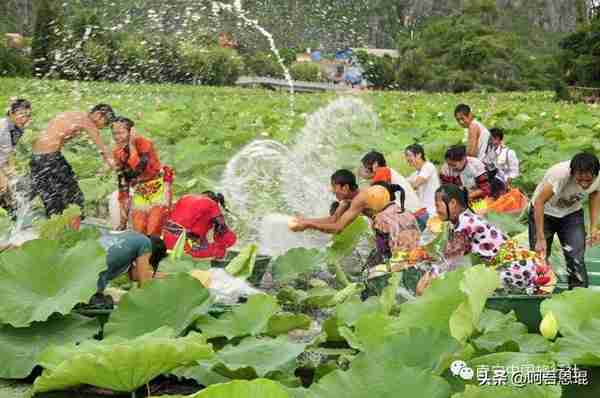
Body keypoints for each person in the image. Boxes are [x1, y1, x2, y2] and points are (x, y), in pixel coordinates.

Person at [416, 184, 555, 296]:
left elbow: (449, 260)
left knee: (470, 290)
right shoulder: (459, 222)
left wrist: (427, 279)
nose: (436, 210)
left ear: (452, 203)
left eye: (438, 206)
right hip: (514, 267)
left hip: (518, 269)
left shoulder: (466, 224)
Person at [30, 104, 116, 220]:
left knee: (51, 200)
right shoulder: (86, 121)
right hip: (50, 159)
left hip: (36, 158)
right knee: (74, 197)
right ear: (98, 115)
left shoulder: (73, 114)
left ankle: (55, 229)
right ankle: (75, 225)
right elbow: (102, 148)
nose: (102, 127)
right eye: (105, 123)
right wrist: (117, 166)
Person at [528, 153, 600, 289]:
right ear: (572, 173)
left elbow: (595, 194)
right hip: (545, 212)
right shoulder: (559, 174)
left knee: (576, 257)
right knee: (540, 257)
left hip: (571, 214)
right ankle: (539, 292)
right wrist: (540, 237)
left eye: (588, 180)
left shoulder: (598, 177)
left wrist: (594, 227)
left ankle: (578, 294)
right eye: (580, 179)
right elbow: (539, 202)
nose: (584, 184)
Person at [112, 116, 173, 236]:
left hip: (158, 188)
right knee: (139, 232)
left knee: (153, 230)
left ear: (131, 132)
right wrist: (123, 220)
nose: (117, 137)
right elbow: (123, 182)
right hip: (140, 191)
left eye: (121, 133)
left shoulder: (144, 143)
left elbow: (139, 168)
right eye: (114, 134)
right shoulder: (117, 152)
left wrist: (131, 145)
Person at [91, 231, 168, 306]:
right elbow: (144, 287)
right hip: (91, 285)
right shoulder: (146, 244)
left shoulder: (131, 235)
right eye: (148, 268)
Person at [291, 169, 370, 234]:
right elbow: (333, 219)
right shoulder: (347, 199)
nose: (332, 190)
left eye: (334, 186)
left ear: (345, 187)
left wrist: (309, 225)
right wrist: (305, 220)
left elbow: (338, 228)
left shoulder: (360, 199)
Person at [162, 191, 237, 259]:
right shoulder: (212, 204)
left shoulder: (185, 197)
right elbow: (222, 230)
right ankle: (219, 256)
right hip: (183, 248)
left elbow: (171, 219)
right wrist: (222, 243)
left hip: (165, 242)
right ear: (215, 201)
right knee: (227, 242)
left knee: (199, 231)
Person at [0, 99, 32, 217]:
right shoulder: (2, 127)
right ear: (11, 113)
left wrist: (11, 169)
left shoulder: (18, 128)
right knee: (4, 189)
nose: (25, 119)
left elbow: (9, 151)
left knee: (12, 190)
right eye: (22, 115)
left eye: (28, 115)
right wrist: (2, 175)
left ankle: (15, 220)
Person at [440, 144, 505, 201]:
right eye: (449, 164)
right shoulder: (445, 169)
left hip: (490, 189)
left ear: (464, 159)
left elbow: (485, 189)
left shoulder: (476, 165)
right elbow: (446, 189)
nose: (451, 167)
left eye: (454, 165)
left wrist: (468, 196)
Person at [405, 143, 440, 216]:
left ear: (419, 155)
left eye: (409, 155)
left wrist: (408, 186)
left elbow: (416, 184)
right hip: (422, 211)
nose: (407, 158)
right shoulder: (415, 174)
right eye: (406, 156)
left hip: (432, 210)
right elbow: (404, 182)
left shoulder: (428, 166)